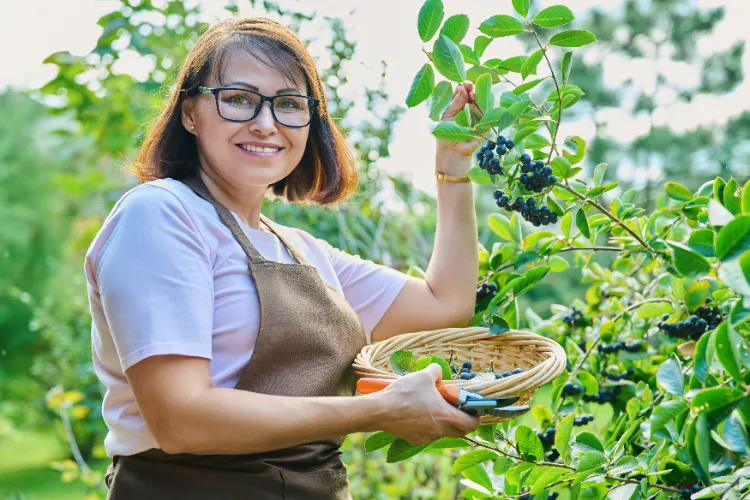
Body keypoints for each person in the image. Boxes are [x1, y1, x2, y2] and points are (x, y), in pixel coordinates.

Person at [84, 16, 482, 499]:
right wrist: (381, 410)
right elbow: (180, 419)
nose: (266, 123)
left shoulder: (302, 250)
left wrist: (452, 168)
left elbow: (445, 303)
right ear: (190, 113)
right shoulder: (162, 215)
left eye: (290, 104)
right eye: (238, 99)